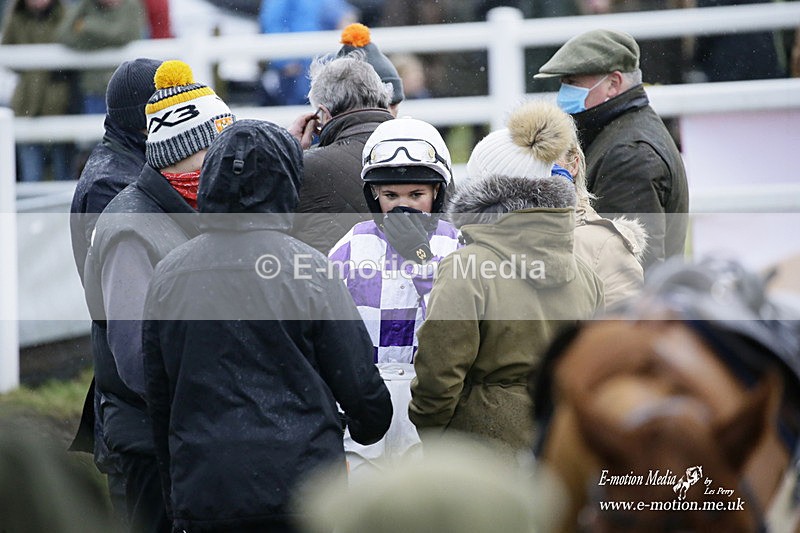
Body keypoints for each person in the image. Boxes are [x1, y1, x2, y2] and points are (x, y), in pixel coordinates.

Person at [142, 119, 393, 532]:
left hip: (207, 488)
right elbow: (357, 379)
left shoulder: (169, 275)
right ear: (287, 182)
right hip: (302, 486)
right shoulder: (308, 268)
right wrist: (368, 427)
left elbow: (159, 395)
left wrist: (176, 493)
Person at [82, 59, 234, 533]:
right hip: (149, 440)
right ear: (186, 153)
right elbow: (136, 359)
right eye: (217, 147)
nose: (228, 161)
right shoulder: (130, 226)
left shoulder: (187, 207)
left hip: (182, 430)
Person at [409, 155, 604, 456]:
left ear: (481, 195)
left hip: (480, 449)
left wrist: (434, 432)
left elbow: (439, 371)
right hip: (558, 443)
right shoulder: (587, 275)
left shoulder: (466, 267)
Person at [328, 117, 461, 477]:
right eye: (391, 196)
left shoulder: (454, 246)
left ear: (437, 193)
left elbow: (453, 324)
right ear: (374, 196)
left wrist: (420, 258)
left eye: (416, 195)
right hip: (367, 397)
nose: (403, 206)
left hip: (425, 395)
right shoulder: (352, 246)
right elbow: (330, 330)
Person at [68, 57, 162, 526]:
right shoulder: (112, 183)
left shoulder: (122, 164)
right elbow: (126, 316)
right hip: (133, 400)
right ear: (146, 115)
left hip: (131, 398)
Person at [466, 99, 646, 308]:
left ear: (574, 164)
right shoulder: (489, 232)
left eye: (548, 157)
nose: (536, 168)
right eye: (526, 157)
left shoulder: (604, 245)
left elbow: (622, 329)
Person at [535, 29, 689, 271]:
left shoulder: (629, 155)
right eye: (563, 83)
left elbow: (629, 268)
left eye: (572, 82)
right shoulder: (621, 133)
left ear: (613, 84)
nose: (564, 92)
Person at [289, 52, 395, 254]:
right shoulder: (427, 152)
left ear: (323, 114)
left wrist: (289, 150)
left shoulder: (305, 167)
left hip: (331, 281)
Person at [1, 0, 74, 182]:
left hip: (59, 102)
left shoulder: (64, 15)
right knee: (31, 170)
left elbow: (72, 44)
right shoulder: (16, 17)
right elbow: (7, 54)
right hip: (27, 102)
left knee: (62, 169)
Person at [258, 0, 356, 105]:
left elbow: (341, 14)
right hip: (296, 66)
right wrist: (284, 62)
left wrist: (345, 18)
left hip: (322, 65)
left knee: (325, 104)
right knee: (297, 107)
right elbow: (272, 24)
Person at [57, 0, 144, 115]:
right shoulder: (86, 5)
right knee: (93, 130)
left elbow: (122, 35)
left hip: (126, 90)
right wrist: (105, 39)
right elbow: (63, 36)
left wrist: (87, 26)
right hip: (93, 89)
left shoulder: (131, 5)